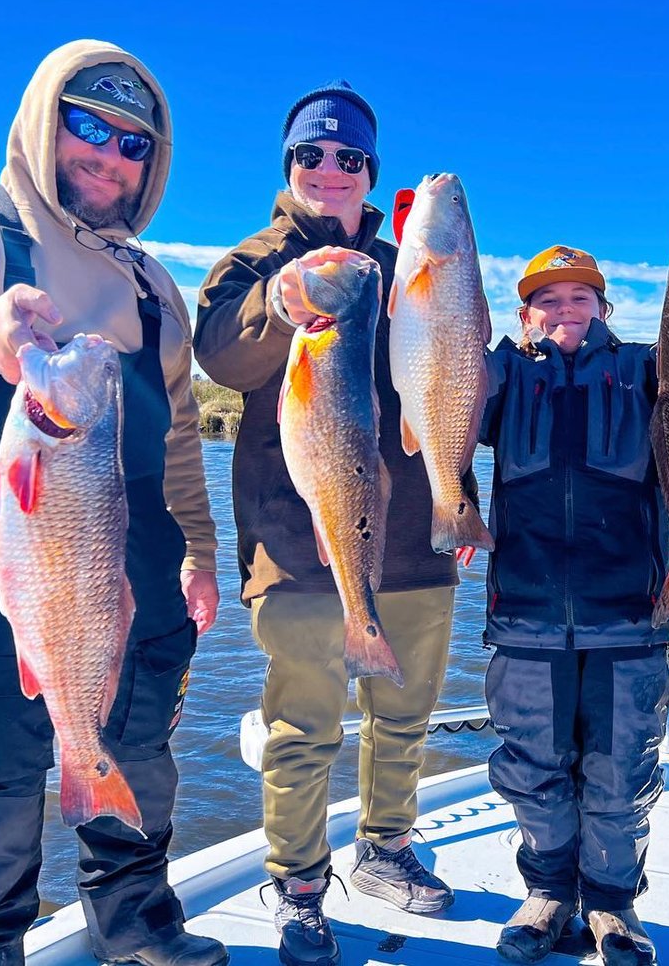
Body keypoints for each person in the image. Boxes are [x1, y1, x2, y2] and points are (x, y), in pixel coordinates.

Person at [0, 40, 226, 966]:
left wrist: (199, 552)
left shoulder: (157, 289)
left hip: (138, 559)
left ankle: (139, 930)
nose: (108, 153)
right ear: (45, 119)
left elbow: (181, 436)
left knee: (140, 758)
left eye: (133, 141)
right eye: (87, 124)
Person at [193, 81, 457, 966]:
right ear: (289, 164)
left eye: (349, 158)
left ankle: (386, 848)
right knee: (303, 729)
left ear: (370, 172)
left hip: (416, 541)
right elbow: (222, 355)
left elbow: (451, 363)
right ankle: (300, 886)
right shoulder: (249, 264)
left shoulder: (402, 263)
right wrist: (282, 300)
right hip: (296, 548)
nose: (330, 170)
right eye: (312, 154)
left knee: (404, 719)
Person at [480, 246, 669, 966]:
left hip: (628, 614)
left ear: (604, 307)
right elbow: (429, 363)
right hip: (524, 615)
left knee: (622, 772)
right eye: (547, 300)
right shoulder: (501, 373)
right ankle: (549, 891)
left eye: (579, 297)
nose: (564, 311)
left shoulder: (648, 369)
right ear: (524, 312)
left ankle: (614, 905)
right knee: (531, 767)